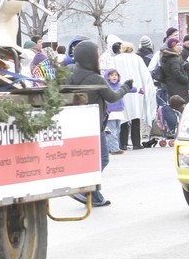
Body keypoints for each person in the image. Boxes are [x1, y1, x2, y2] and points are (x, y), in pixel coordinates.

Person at [64, 40, 132, 207]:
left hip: (73, 122)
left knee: (87, 159)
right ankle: (84, 188)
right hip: (93, 124)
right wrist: (125, 87)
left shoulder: (68, 72)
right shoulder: (95, 78)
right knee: (102, 158)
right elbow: (112, 97)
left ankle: (92, 194)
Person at [114, 42, 157, 151]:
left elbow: (111, 72)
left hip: (122, 89)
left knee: (123, 117)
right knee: (136, 116)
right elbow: (145, 75)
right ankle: (136, 143)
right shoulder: (137, 58)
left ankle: (122, 143)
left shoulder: (116, 59)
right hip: (137, 90)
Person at [154, 37, 189, 105]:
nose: (180, 47)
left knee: (174, 105)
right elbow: (177, 73)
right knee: (181, 106)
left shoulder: (165, 58)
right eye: (178, 45)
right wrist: (186, 79)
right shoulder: (174, 59)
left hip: (170, 86)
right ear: (173, 47)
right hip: (179, 88)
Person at [103, 69, 127, 155]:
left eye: (116, 75)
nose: (114, 77)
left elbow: (127, 89)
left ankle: (112, 147)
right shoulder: (107, 87)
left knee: (117, 130)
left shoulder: (119, 86)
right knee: (111, 131)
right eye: (112, 75)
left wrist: (138, 90)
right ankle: (114, 148)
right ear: (107, 77)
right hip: (110, 112)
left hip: (118, 112)